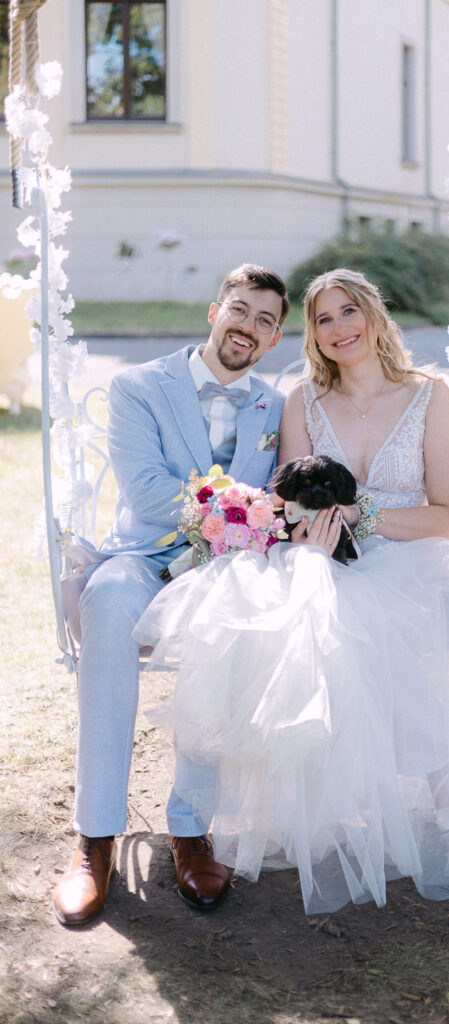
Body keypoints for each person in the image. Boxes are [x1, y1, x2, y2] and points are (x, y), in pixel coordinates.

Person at [134, 268, 449, 915]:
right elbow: (290, 500)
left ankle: (441, 783)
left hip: (408, 555)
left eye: (348, 312)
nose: (338, 329)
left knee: (361, 614)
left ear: (373, 316)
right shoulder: (304, 402)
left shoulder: (426, 394)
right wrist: (313, 543)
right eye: (322, 319)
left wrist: (368, 519)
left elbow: (448, 514)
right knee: (290, 605)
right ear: (312, 334)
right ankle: (354, 795)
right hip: (316, 555)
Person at [53, 264, 289, 926]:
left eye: (265, 320)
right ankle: (94, 839)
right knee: (104, 604)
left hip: (223, 571)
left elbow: (284, 495)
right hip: (139, 556)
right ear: (213, 312)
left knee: (227, 620)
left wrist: (247, 527)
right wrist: (245, 510)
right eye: (240, 309)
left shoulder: (276, 406)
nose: (249, 326)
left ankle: (191, 829)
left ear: (274, 340)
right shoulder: (137, 385)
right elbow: (150, 492)